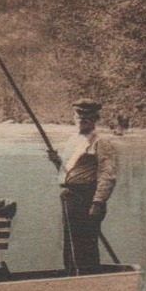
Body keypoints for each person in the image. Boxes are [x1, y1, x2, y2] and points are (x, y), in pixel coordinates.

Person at [50, 99, 117, 275]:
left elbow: (107, 175)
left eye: (87, 115)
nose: (82, 118)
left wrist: (98, 202)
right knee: (71, 245)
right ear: (74, 116)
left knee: (85, 247)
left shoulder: (101, 142)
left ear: (96, 118)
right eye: (79, 114)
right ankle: (73, 279)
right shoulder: (73, 139)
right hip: (69, 197)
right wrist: (57, 162)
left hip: (87, 198)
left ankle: (88, 282)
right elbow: (70, 172)